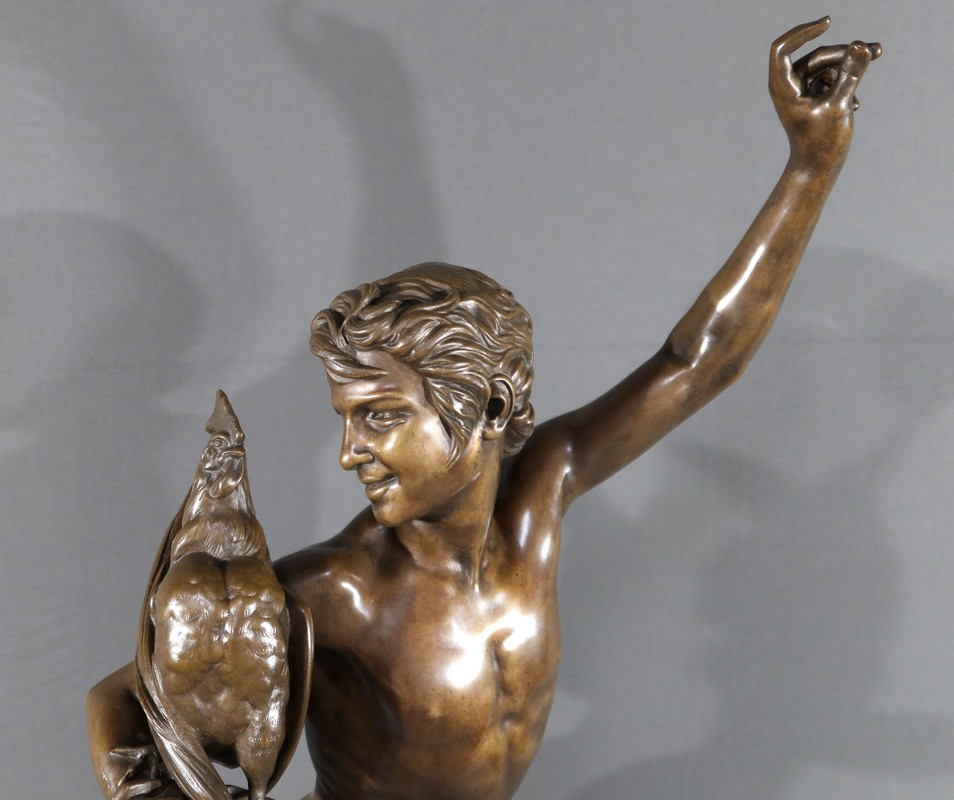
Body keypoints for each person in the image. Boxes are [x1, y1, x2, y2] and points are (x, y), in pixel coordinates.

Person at [87, 18, 879, 800]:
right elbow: (118, 700)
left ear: (492, 406)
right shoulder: (332, 592)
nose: (349, 451)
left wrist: (812, 167)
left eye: (380, 416)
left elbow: (699, 361)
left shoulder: (539, 497)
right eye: (346, 417)